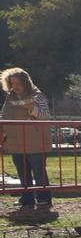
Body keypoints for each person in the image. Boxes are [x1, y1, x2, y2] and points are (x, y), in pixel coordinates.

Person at [0, 67, 56, 221]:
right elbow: (3, 116)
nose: (15, 86)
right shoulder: (10, 98)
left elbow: (45, 115)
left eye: (18, 83)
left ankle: (44, 200)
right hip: (16, 142)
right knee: (23, 172)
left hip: (35, 142)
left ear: (26, 82)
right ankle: (27, 200)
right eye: (12, 83)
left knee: (38, 171)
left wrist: (32, 109)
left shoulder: (38, 96)